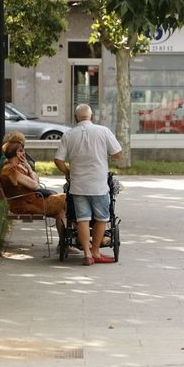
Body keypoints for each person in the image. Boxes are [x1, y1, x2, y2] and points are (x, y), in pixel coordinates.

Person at [54, 104, 122, 266]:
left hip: (78, 185)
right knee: (101, 219)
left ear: (76, 117)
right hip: (99, 185)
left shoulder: (69, 134)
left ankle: (86, 254)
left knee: (82, 219)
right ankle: (95, 252)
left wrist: (67, 172)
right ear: (92, 116)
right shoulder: (103, 131)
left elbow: (58, 160)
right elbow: (118, 153)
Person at [0, 140, 66, 238]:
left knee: (62, 210)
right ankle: (74, 240)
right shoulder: (11, 170)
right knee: (67, 200)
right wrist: (29, 172)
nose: (24, 153)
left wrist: (28, 168)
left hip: (27, 202)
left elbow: (36, 180)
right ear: (17, 153)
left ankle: (64, 244)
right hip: (27, 204)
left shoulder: (14, 167)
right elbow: (35, 186)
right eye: (21, 151)